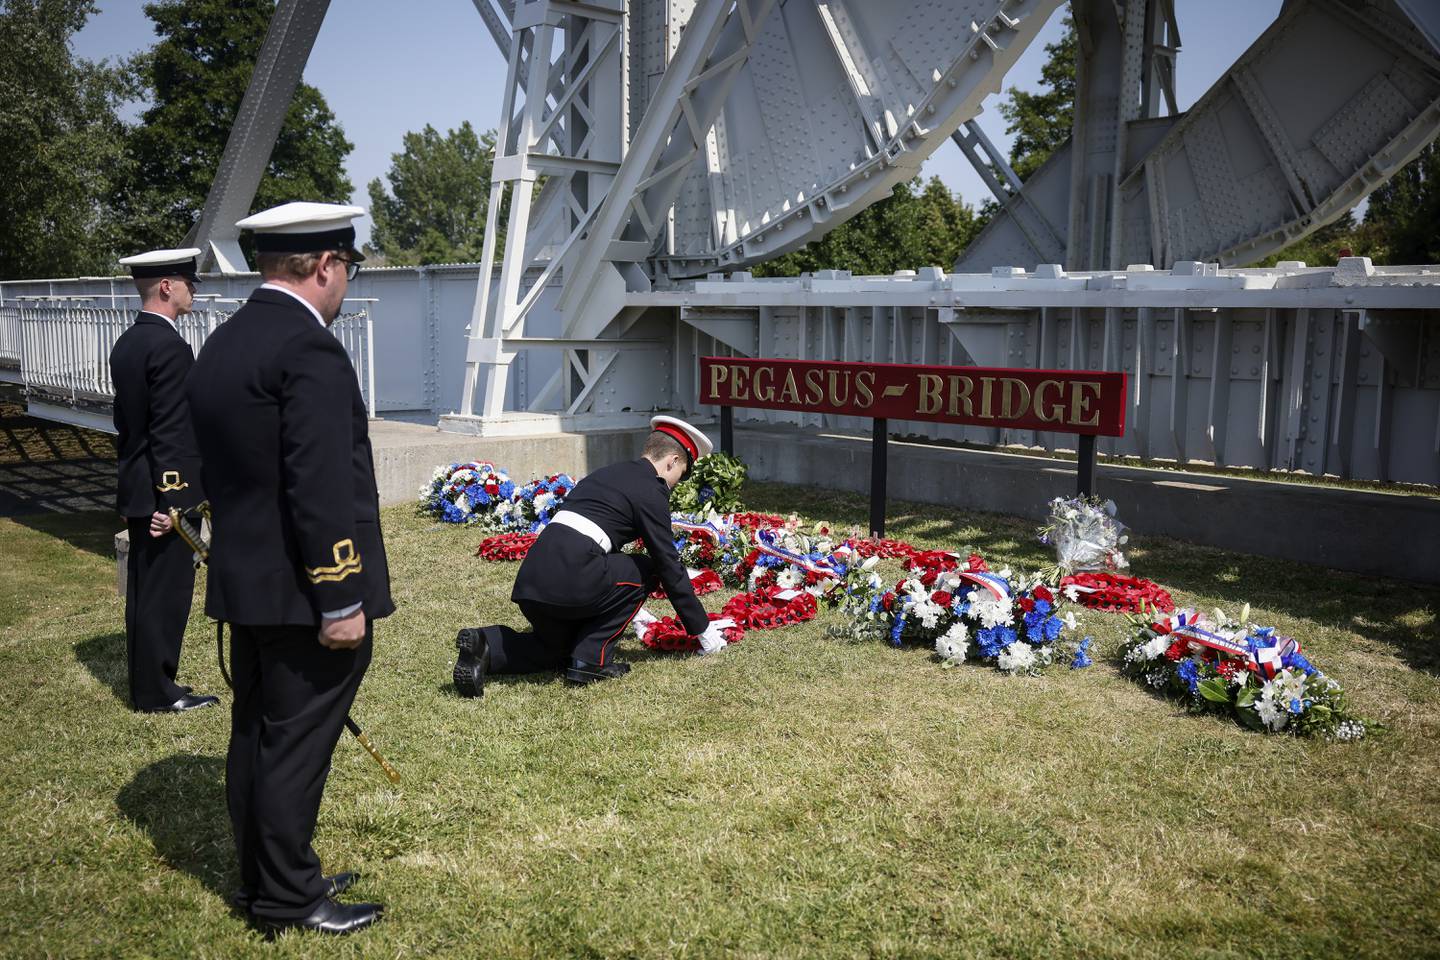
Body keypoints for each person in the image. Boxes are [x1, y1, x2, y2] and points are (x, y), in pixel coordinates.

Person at [186, 202, 391, 936]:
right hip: (306, 592)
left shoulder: (227, 340)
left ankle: (263, 879)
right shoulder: (310, 351)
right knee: (295, 748)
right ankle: (289, 896)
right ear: (328, 266)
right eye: (348, 270)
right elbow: (321, 484)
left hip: (250, 580)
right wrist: (340, 597)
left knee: (257, 734)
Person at [454, 416, 731, 694]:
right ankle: (590, 660)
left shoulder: (607, 474)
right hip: (573, 579)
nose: (674, 484)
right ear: (671, 461)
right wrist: (702, 630)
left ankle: (483, 644)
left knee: (554, 651)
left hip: (533, 581)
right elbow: (667, 564)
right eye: (679, 474)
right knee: (647, 568)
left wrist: (626, 606)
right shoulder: (651, 488)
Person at [108, 247, 217, 714]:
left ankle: (148, 685)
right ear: (167, 286)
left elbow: (130, 424)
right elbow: (170, 432)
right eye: (189, 283)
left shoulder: (129, 342)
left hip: (139, 484)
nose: (194, 291)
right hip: (162, 496)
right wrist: (172, 503)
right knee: (165, 593)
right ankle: (158, 692)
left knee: (144, 590)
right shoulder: (169, 346)